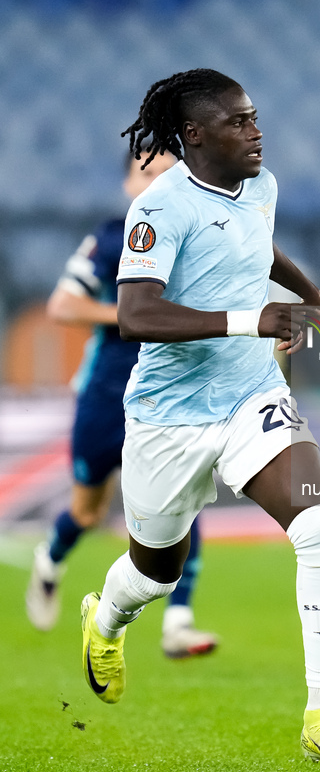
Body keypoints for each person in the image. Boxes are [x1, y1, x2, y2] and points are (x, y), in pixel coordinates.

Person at [80, 68, 320, 772]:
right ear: (196, 136)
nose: (255, 130)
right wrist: (254, 317)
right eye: (238, 122)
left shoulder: (259, 186)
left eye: (255, 116)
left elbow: (253, 242)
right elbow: (135, 315)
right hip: (168, 418)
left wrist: (305, 289)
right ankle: (105, 620)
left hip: (249, 396)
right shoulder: (159, 208)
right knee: (156, 572)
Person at [26, 149, 218, 659]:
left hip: (169, 394)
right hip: (107, 395)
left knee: (184, 499)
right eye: (144, 172)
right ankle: (50, 560)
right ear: (128, 183)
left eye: (167, 172)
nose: (155, 181)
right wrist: (135, 314)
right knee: (87, 511)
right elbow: (63, 305)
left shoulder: (198, 238)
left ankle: (179, 622)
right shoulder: (112, 237)